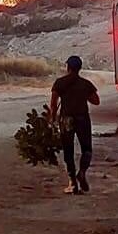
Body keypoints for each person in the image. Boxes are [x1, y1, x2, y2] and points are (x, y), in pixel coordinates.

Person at [48, 55, 101, 194]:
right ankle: (82, 172)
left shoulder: (60, 83)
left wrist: (52, 119)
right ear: (80, 68)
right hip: (83, 118)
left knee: (68, 150)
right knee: (87, 149)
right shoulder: (85, 84)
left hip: (66, 119)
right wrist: (83, 96)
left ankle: (72, 181)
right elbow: (96, 101)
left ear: (68, 67)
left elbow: (53, 104)